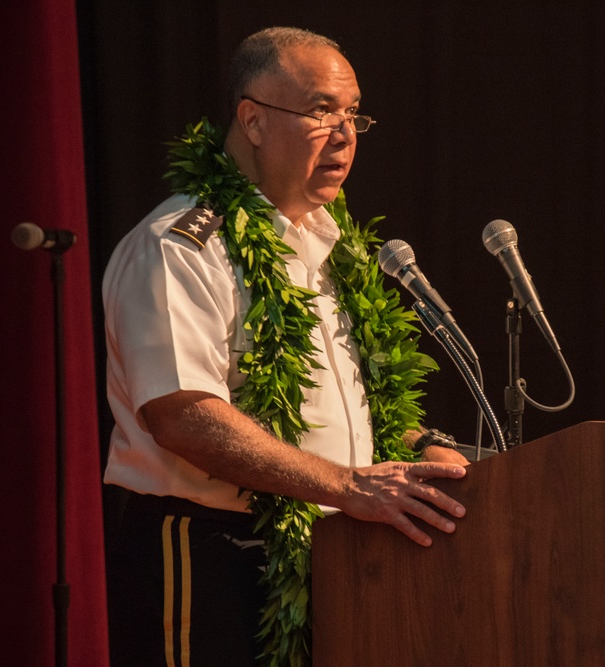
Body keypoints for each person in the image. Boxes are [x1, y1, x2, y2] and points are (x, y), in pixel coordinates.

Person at [102, 27, 469, 665]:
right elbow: (182, 415)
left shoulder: (335, 246)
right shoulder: (180, 246)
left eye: (354, 114)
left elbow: (339, 407)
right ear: (252, 121)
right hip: (212, 550)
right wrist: (349, 486)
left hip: (328, 551)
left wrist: (424, 449)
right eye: (322, 111)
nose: (346, 134)